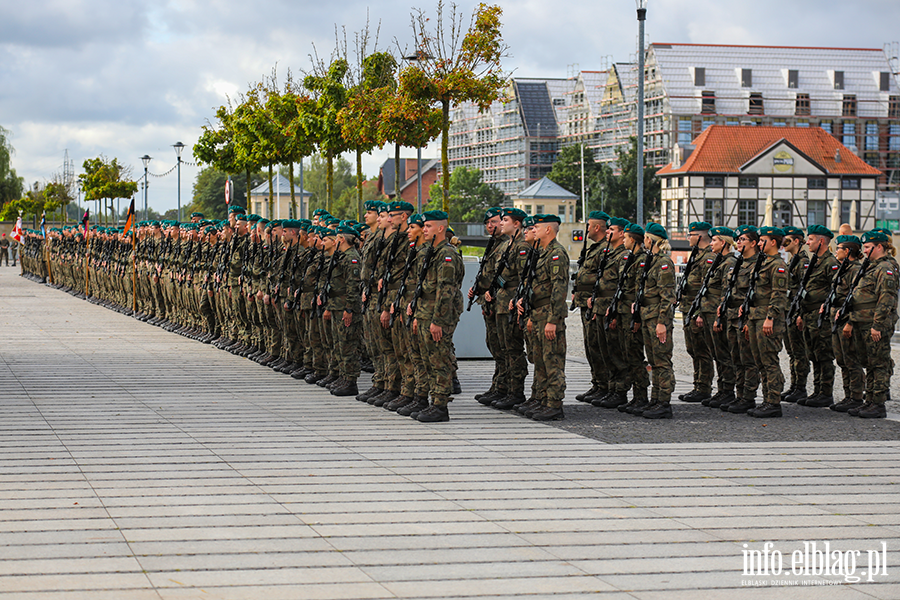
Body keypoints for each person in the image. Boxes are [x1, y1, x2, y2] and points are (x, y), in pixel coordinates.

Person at [411, 211, 464, 423]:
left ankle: (440, 406)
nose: (424, 230)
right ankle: (432, 400)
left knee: (439, 360)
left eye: (429, 226)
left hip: (438, 315)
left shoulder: (446, 254)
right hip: (425, 312)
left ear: (440, 228)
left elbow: (446, 290)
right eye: (423, 227)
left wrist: (438, 321)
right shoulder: (432, 252)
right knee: (427, 358)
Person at [843, 230, 899, 419]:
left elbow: (887, 298)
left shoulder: (885, 268)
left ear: (879, 246)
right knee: (868, 362)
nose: (864, 251)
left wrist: (878, 325)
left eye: (867, 247)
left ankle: (878, 403)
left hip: (874, 323)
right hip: (862, 321)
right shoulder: (870, 266)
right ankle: (869, 401)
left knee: (878, 363)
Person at [519, 214, 569, 421]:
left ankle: (554, 404)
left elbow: (559, 289)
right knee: (540, 361)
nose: (533, 229)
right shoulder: (540, 253)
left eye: (537, 227)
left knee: (552, 361)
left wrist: (553, 320)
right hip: (538, 314)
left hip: (548, 315)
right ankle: (542, 400)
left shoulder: (556, 254)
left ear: (548, 229)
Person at [745, 227, 789, 418]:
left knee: (769, 360)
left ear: (773, 242)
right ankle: (766, 400)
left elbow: (778, 295)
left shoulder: (778, 265)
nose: (760, 243)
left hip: (768, 318)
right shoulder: (762, 263)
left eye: (763, 240)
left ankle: (774, 401)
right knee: (759, 360)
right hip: (756, 315)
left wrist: (770, 318)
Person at [795, 224, 840, 408]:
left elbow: (836, 290)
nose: (807, 242)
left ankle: (826, 392)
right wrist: (800, 313)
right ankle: (817, 390)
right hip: (808, 314)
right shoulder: (813, 261)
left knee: (824, 354)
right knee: (812, 354)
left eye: (811, 239)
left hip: (821, 316)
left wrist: (826, 308)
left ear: (821, 241)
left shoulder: (831, 263)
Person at [570, 210, 610, 403]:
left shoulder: (604, 249)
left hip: (595, 303)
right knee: (590, 346)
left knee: (597, 346)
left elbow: (605, 277)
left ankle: (604, 385)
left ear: (596, 227)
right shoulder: (593, 248)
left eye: (588, 225)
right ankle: (597, 383)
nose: (585, 229)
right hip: (585, 302)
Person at [678, 221, 714, 403]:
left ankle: (704, 386)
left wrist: (700, 311)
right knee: (693, 349)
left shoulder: (709, 257)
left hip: (697, 308)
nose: (688, 238)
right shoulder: (695, 255)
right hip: (688, 307)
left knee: (702, 350)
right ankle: (697, 384)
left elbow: (707, 287)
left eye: (691, 235)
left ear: (699, 236)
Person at [781, 226, 810, 402]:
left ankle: (800, 387)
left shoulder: (803, 262)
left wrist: (799, 313)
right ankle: (794, 386)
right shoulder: (793, 260)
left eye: (787, 241)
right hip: (789, 310)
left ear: (797, 241)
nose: (784, 244)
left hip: (795, 310)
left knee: (799, 352)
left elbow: (803, 289)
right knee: (792, 352)